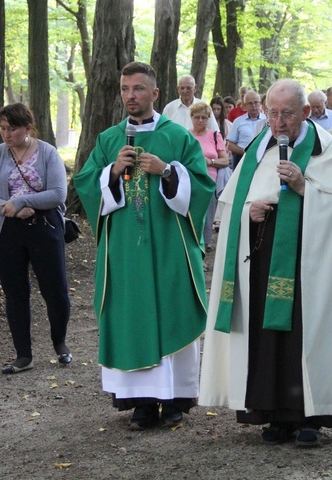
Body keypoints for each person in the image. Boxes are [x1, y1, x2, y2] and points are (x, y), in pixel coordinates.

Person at [200, 79, 332, 447]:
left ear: (306, 113)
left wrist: (303, 188)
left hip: (311, 269)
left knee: (306, 336)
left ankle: (311, 418)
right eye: (272, 113)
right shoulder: (257, 151)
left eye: (287, 114)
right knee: (267, 337)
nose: (278, 122)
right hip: (262, 264)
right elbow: (233, 209)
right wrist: (251, 211)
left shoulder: (328, 152)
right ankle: (273, 414)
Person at [74, 62, 215, 430]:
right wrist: (111, 173)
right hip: (125, 251)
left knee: (169, 309)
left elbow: (202, 187)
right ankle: (139, 402)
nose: (130, 96)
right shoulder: (108, 140)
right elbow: (87, 184)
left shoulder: (178, 137)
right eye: (124, 89)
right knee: (130, 314)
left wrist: (167, 171)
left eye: (138, 89)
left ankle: (172, 402)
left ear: (154, 94)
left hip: (168, 245)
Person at [0, 103, 71, 374]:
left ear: (28, 128)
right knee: (15, 294)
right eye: (2, 128)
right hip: (6, 230)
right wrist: (11, 208)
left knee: (55, 291)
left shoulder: (48, 153)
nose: (6, 134)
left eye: (12, 128)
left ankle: (60, 343)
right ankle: (23, 355)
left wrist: (22, 200)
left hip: (45, 226)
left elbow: (57, 194)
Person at [189, 102, 230, 253]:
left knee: (207, 219)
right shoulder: (186, 135)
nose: (200, 120)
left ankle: (203, 253)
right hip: (191, 184)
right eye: (197, 117)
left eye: (204, 117)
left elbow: (225, 160)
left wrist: (210, 162)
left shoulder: (215, 135)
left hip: (210, 184)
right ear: (191, 118)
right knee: (192, 218)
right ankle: (191, 251)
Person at [225, 90, 264, 168]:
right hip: (242, 158)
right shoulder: (238, 121)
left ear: (260, 104)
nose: (254, 105)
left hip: (263, 159)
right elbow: (230, 145)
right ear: (245, 106)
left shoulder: (267, 120)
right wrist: (246, 152)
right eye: (250, 103)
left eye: (256, 102)